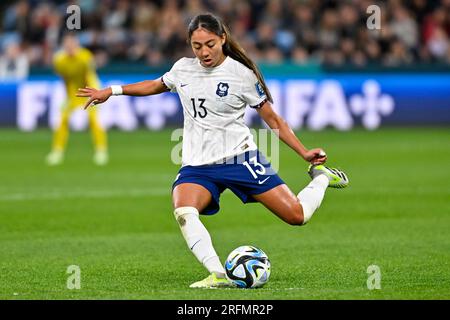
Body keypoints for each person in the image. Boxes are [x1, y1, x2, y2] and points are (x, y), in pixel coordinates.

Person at [77, 13, 349, 288]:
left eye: (209, 44)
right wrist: (112, 90)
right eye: (197, 46)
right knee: (184, 209)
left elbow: (273, 119)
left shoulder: (242, 74)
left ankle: (323, 177)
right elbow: (156, 85)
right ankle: (218, 273)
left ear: (222, 39)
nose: (204, 52)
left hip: (240, 158)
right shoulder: (183, 69)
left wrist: (303, 153)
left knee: (297, 215)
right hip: (198, 164)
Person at [46, 32, 108, 166]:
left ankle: (101, 151)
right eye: (67, 44)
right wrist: (68, 96)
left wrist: (95, 93)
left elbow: (91, 75)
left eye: (72, 44)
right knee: (62, 120)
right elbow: (65, 79)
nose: (70, 47)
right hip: (73, 95)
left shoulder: (85, 57)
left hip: (88, 91)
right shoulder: (59, 60)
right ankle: (57, 151)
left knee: (94, 120)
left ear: (77, 44)